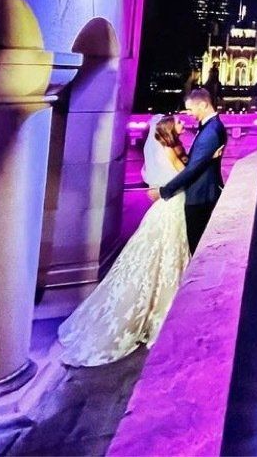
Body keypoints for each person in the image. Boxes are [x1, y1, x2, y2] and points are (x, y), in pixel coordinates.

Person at [56, 114, 217, 366]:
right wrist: (209, 159)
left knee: (155, 256)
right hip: (173, 207)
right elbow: (187, 175)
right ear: (168, 129)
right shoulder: (170, 151)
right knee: (168, 254)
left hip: (163, 208)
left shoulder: (161, 149)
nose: (182, 124)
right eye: (178, 122)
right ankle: (164, 311)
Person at [149, 87, 227, 254]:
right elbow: (195, 162)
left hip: (200, 196)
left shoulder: (211, 131)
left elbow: (191, 169)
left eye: (191, 109)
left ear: (203, 105)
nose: (188, 114)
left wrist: (163, 191)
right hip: (200, 193)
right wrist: (209, 158)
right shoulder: (208, 127)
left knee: (197, 248)